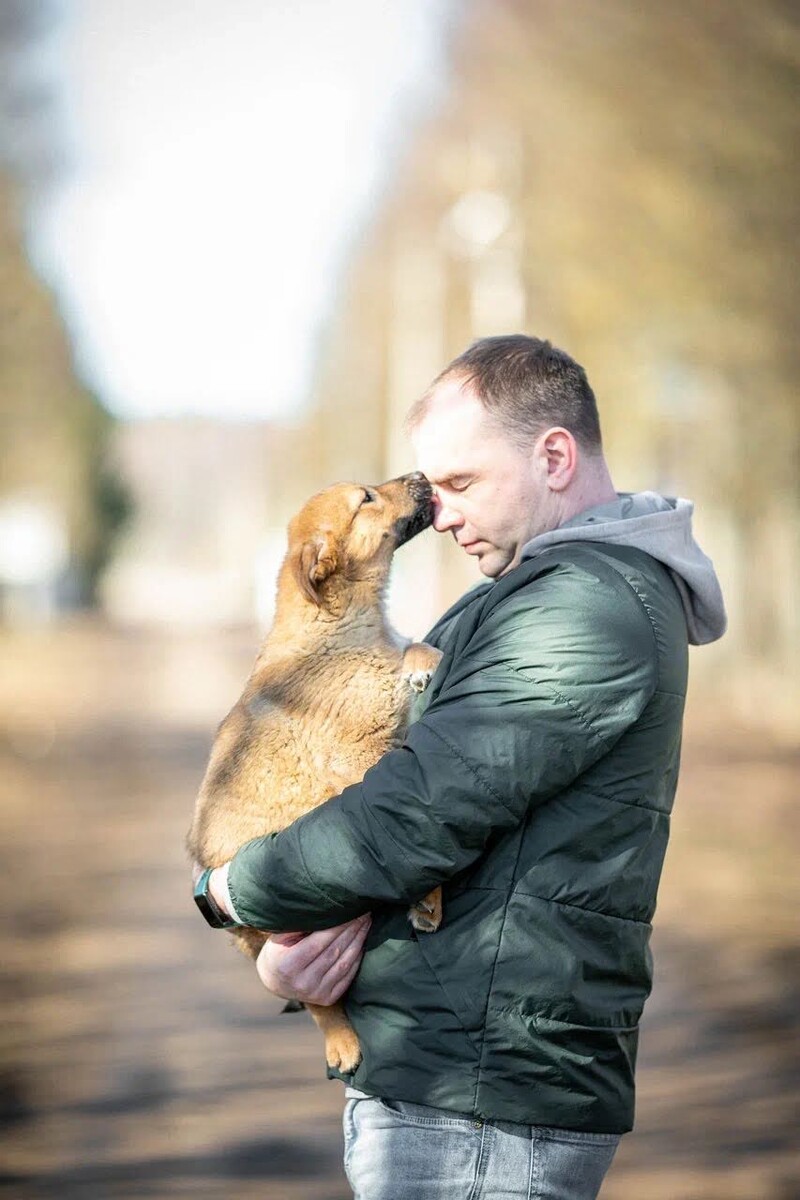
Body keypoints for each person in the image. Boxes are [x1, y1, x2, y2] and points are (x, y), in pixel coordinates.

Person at [196, 335, 727, 1200]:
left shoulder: (584, 610)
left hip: (483, 1103)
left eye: (461, 484)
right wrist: (288, 960)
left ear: (554, 456)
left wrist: (230, 894)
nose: (436, 514)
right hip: (451, 1074)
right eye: (432, 488)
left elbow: (418, 811)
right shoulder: (533, 593)